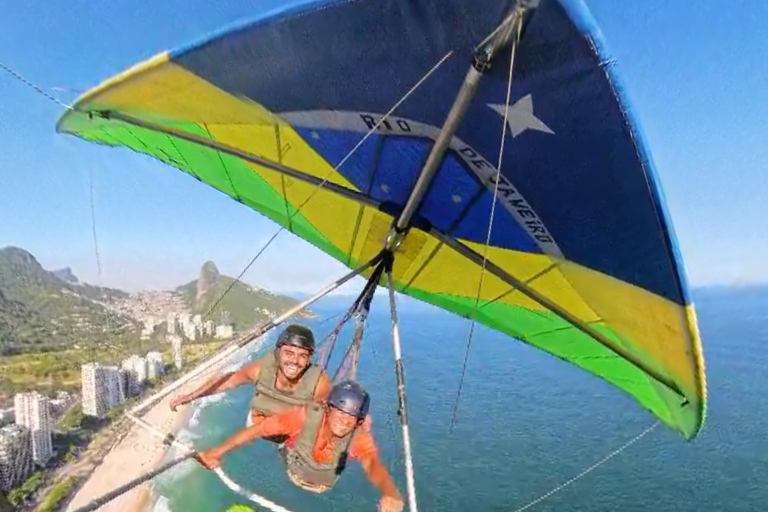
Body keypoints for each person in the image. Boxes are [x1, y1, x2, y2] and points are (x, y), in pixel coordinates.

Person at [195, 381, 404, 512]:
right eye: (340, 411)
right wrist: (216, 452)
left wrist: (390, 492)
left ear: (359, 420)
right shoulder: (303, 418)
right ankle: (283, 433)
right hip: (294, 465)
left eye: (352, 416)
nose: (344, 420)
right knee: (266, 422)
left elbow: (372, 464)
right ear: (329, 409)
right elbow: (256, 430)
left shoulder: (358, 436)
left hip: (322, 482)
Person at [170, 324, 332, 435]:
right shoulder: (261, 368)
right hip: (257, 422)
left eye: (302, 356)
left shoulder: (318, 383)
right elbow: (228, 380)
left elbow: (322, 419)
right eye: (289, 353)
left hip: (287, 430)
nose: (295, 361)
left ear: (309, 358)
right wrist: (191, 396)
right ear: (278, 352)